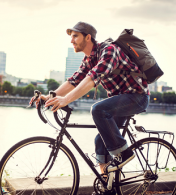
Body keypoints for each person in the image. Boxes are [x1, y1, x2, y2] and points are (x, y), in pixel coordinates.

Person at [32, 21, 149, 193]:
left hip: (137, 97)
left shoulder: (109, 50)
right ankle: (108, 186)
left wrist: (65, 100)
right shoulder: (89, 59)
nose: (71, 40)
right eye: (71, 36)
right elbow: (74, 80)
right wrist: (51, 97)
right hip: (119, 101)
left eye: (75, 36)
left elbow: (91, 79)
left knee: (98, 109)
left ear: (88, 37)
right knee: (100, 141)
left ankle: (125, 154)